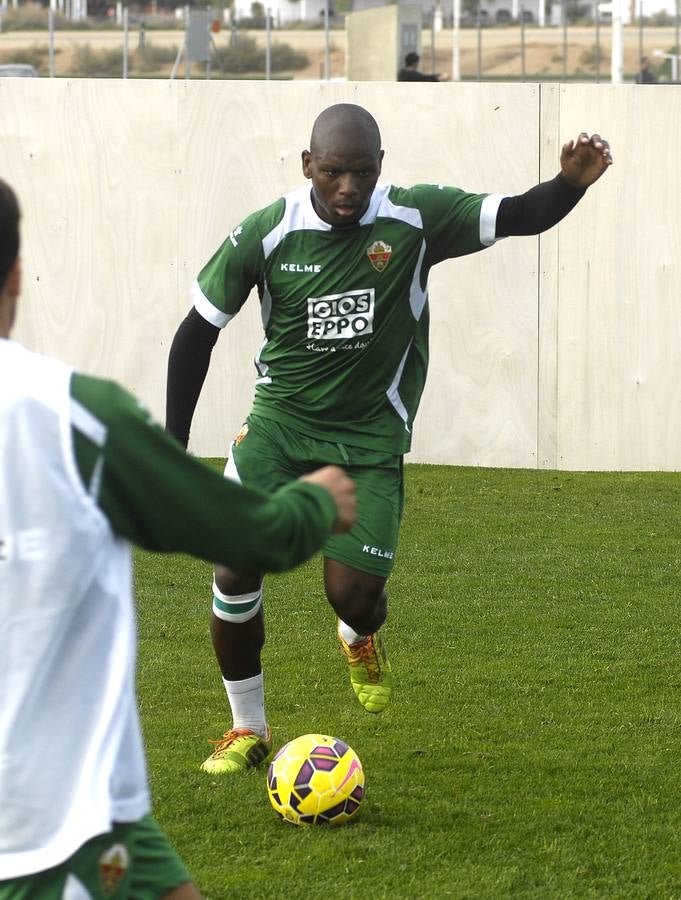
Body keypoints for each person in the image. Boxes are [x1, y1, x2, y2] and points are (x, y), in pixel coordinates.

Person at [165, 102, 613, 776]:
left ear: (380, 168)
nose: (348, 188)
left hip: (368, 440)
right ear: (307, 165)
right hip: (278, 429)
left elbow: (522, 214)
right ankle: (246, 729)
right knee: (233, 570)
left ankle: (358, 634)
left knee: (352, 595)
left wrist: (571, 183)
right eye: (334, 173)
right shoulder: (267, 232)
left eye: (363, 173)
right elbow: (196, 331)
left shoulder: (415, 218)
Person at [0, 179, 356, 898]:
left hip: (106, 833)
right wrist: (315, 505)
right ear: (14, 276)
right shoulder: (72, 416)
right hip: (48, 825)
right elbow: (239, 531)